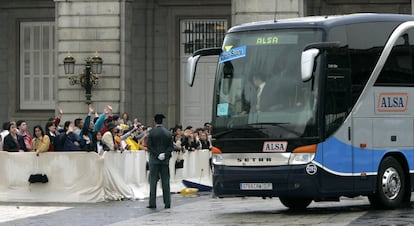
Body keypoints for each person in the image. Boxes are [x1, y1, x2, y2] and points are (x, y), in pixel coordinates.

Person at [147, 114, 174, 209]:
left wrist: (156, 154)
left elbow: (149, 146)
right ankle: (167, 202)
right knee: (165, 181)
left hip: (154, 161)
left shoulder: (151, 132)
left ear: (155, 121)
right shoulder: (168, 133)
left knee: (153, 182)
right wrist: (165, 154)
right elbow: (171, 147)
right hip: (165, 161)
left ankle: (152, 203)